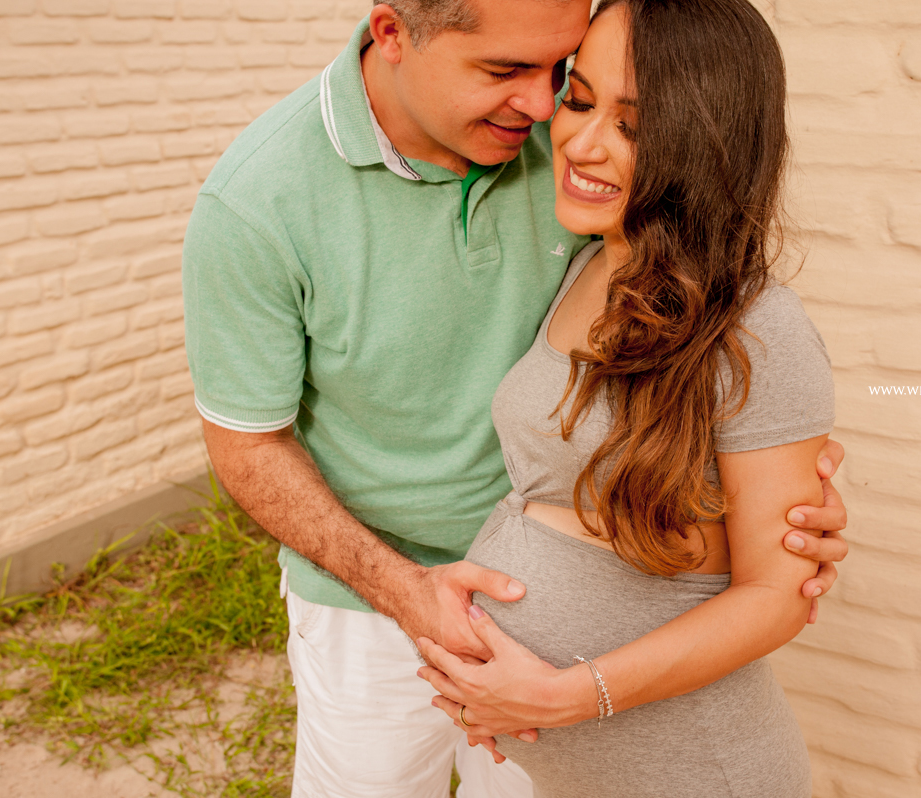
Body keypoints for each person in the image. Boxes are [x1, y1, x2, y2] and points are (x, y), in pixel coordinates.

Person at [181, 0, 850, 794]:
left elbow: (714, 355)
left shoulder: (575, 159)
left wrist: (762, 499)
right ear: (393, 35)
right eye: (509, 72)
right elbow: (248, 446)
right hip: (372, 598)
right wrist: (406, 592)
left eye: (560, 73)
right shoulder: (258, 202)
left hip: (580, 698)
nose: (542, 107)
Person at [415, 0, 827, 794]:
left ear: (703, 144)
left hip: (691, 771)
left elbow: (778, 596)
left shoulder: (756, 325)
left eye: (632, 126)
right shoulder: (589, 263)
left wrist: (564, 696)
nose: (582, 142)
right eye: (578, 101)